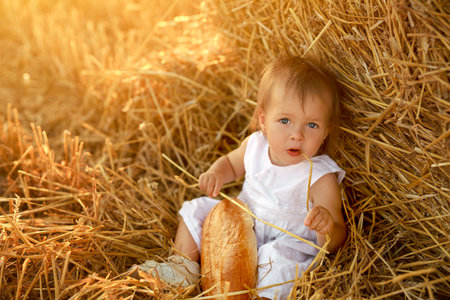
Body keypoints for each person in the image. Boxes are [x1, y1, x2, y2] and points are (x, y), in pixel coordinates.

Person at [132, 56, 347, 299]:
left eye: (311, 125)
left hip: (287, 241)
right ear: (264, 121)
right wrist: (216, 173)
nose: (296, 134)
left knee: (278, 264)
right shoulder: (255, 145)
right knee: (198, 209)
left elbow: (338, 233)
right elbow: (231, 164)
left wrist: (327, 226)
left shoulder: (320, 175)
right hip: (244, 225)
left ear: (326, 131)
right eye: (285, 121)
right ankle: (182, 266)